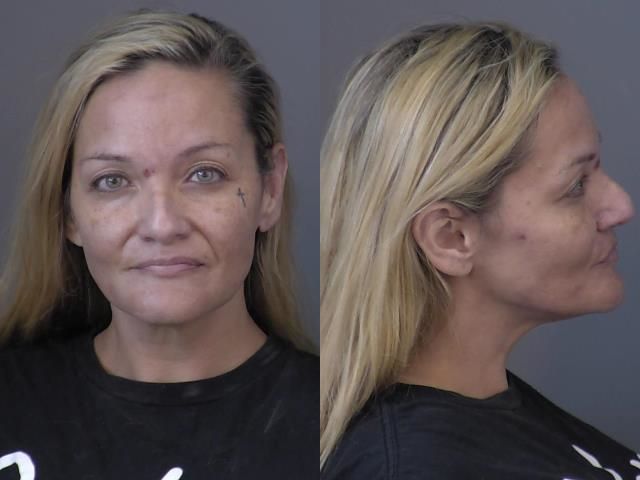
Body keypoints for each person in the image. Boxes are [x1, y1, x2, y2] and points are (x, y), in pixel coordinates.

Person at [0, 9, 317, 479]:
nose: (162, 224)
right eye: (112, 181)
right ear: (68, 213)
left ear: (269, 190)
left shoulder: (348, 433)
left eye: (204, 174)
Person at [320, 22, 639, 479]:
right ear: (451, 238)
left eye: (598, 169)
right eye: (576, 185)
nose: (621, 206)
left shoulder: (489, 414)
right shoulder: (413, 466)